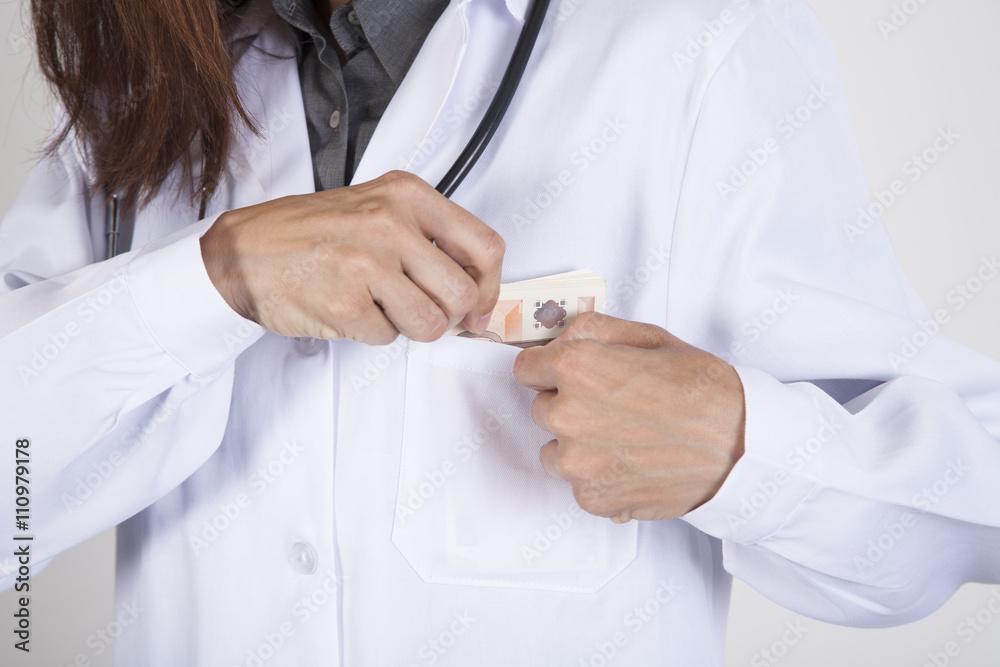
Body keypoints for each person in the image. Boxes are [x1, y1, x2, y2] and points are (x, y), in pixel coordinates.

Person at [2, 0, 998, 664]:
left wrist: (744, 448)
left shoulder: (692, 38)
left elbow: (970, 500)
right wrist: (212, 281)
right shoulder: (147, 85)